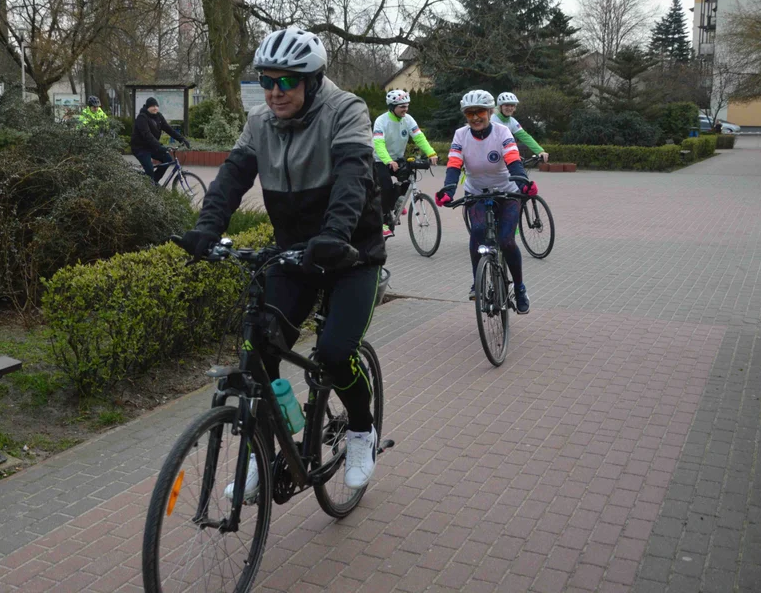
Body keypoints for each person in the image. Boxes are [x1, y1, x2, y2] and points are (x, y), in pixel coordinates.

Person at [177, 26, 385, 493]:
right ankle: (269, 447)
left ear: (311, 82)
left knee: (334, 354)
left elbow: (354, 176)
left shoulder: (345, 110)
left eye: (286, 82)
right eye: (266, 81)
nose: (274, 92)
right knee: (256, 351)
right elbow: (232, 178)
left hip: (352, 254)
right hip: (295, 255)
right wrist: (206, 229)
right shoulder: (259, 122)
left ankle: (359, 430)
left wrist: (335, 235)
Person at [435, 90, 536, 314]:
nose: (475, 118)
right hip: (477, 193)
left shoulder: (502, 132)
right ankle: (477, 281)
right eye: (470, 113)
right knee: (478, 231)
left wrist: (523, 185)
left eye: (479, 112)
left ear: (490, 112)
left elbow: (513, 160)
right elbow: (454, 164)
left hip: (506, 193)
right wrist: (448, 190)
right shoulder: (461, 135)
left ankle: (519, 287)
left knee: (507, 241)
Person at [373, 89, 439, 237]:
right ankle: (383, 221)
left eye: (407, 105)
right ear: (392, 107)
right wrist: (388, 160)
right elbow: (378, 144)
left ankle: (396, 203)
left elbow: (419, 137)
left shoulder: (408, 119)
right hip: (380, 159)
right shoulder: (381, 121)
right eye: (402, 106)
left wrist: (431, 152)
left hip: (397, 158)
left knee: (409, 178)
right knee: (386, 187)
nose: (406, 109)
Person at [131, 97, 188, 182]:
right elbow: (147, 135)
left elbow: (169, 129)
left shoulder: (158, 116)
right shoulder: (142, 117)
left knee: (168, 159)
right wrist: (160, 146)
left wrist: (182, 140)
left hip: (152, 147)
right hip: (140, 148)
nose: (155, 108)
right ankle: (150, 183)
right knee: (149, 169)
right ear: (147, 107)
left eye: (156, 106)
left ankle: (154, 183)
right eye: (153, 106)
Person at [493, 92, 548, 163]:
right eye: (506, 105)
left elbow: (525, 136)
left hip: (505, 157)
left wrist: (540, 151)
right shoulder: (492, 119)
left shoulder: (512, 122)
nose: (509, 108)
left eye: (512, 106)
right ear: (500, 106)